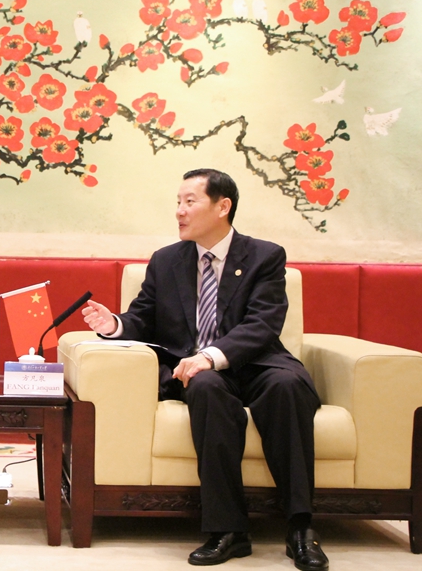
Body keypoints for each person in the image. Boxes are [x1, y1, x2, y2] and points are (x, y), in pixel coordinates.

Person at [82, 169, 328, 570]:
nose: (179, 211)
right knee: (205, 386)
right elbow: (142, 318)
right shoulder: (166, 261)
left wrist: (212, 355)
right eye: (177, 202)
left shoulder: (265, 256)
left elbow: (263, 324)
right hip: (200, 372)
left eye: (190, 201)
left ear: (222, 206)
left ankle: (301, 527)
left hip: (257, 362)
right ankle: (228, 531)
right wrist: (114, 325)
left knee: (287, 386)